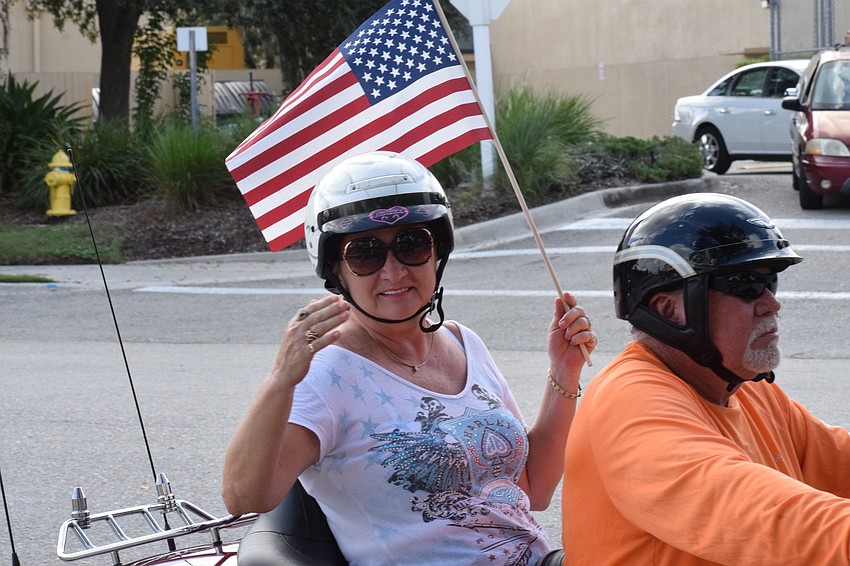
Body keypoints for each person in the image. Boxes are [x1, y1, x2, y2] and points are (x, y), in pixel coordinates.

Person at [223, 151, 596, 565]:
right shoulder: (325, 372)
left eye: (412, 245)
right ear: (336, 270)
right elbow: (245, 495)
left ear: (438, 252)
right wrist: (280, 380)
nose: (394, 271)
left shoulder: (464, 341)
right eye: (365, 254)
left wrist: (563, 372)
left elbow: (535, 488)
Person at [562, 192, 850, 565]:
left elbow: (836, 458)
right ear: (669, 309)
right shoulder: (632, 404)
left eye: (769, 284)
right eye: (745, 286)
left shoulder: (746, 392)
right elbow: (768, 518)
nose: (771, 304)